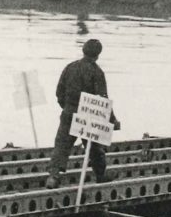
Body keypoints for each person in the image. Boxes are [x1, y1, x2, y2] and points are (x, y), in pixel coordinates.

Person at [45, 39, 120, 188]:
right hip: (88, 116)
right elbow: (102, 100)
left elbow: (59, 92)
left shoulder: (70, 67)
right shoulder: (97, 72)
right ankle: (100, 175)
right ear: (98, 55)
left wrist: (67, 107)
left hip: (69, 113)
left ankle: (54, 176)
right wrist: (113, 120)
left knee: (61, 146)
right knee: (94, 147)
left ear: (83, 51)